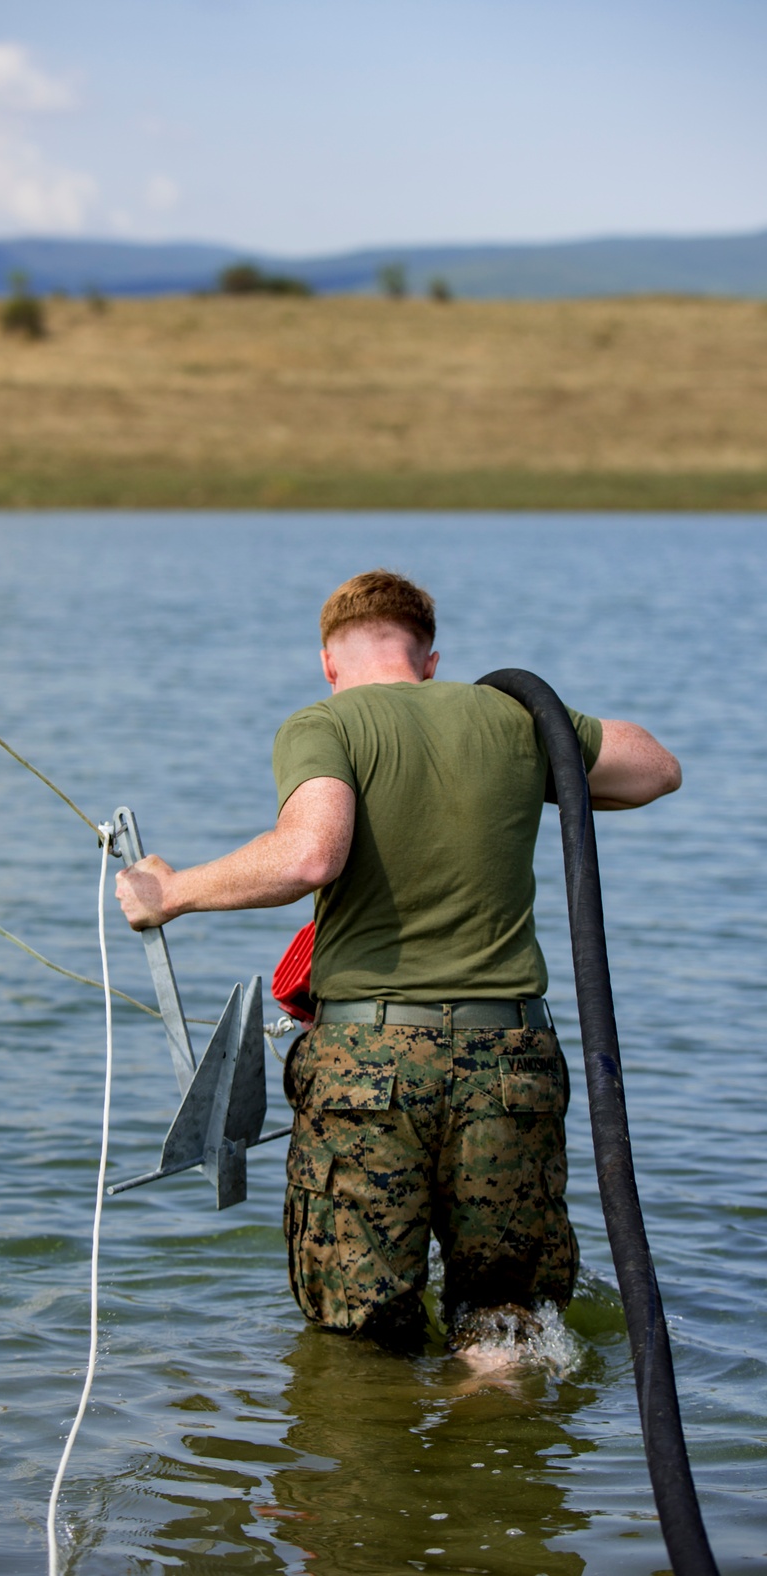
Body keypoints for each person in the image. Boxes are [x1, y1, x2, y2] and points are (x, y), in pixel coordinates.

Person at [115, 570, 681, 1354]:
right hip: (511, 1065)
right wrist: (530, 755)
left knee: (360, 1336)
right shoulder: (514, 717)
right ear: (430, 658)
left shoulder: (326, 722)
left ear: (328, 662)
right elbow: (655, 769)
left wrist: (171, 892)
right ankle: (492, 1443)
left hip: (370, 1073)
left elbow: (311, 855)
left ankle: (380, 1455)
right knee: (506, 1327)